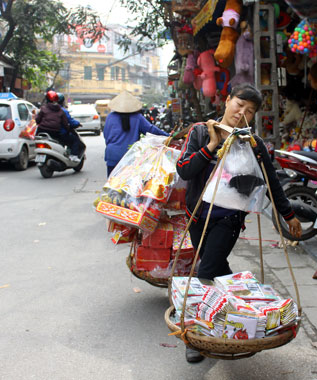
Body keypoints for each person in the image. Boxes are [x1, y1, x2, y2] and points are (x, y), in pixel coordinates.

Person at [176, 83, 302, 363]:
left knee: (206, 270)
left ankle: (195, 337)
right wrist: (211, 145)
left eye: (250, 111)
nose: (242, 113)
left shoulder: (253, 144)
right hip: (197, 216)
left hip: (229, 219)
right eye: (239, 105)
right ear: (227, 101)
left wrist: (289, 215)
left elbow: (271, 181)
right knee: (218, 269)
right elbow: (184, 169)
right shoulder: (199, 131)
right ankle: (240, 311)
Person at [103, 91, 169, 176]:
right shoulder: (137, 118)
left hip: (112, 155)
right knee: (129, 186)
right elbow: (151, 130)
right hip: (130, 156)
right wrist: (169, 136)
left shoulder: (110, 117)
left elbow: (106, 135)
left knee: (112, 185)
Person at [35, 90, 79, 163]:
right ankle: (73, 156)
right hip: (55, 133)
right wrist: (68, 129)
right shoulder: (61, 110)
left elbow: (37, 120)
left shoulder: (43, 109)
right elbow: (65, 124)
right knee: (71, 139)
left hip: (41, 131)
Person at [57, 93, 85, 159]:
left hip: (51, 133)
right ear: (62, 101)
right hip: (61, 133)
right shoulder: (63, 111)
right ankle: (74, 156)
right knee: (75, 140)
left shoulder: (48, 109)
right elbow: (71, 122)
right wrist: (78, 123)